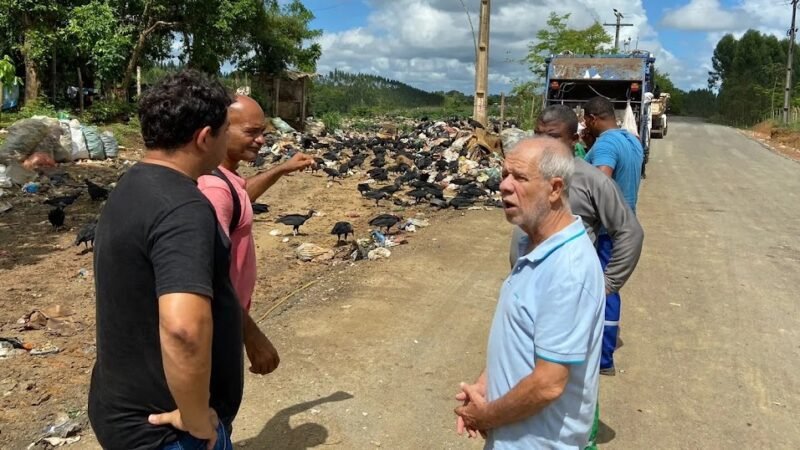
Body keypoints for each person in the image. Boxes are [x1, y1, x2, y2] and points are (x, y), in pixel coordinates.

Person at [88, 69, 240, 450]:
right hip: (166, 431)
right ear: (205, 137)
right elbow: (183, 329)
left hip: (119, 407)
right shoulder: (183, 209)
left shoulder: (132, 184)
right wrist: (194, 416)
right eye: (225, 131)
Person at [454, 137, 605, 449]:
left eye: (520, 178)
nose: (504, 186)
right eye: (504, 175)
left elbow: (548, 384)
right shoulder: (533, 246)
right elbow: (520, 338)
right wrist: (485, 384)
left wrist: (486, 416)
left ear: (555, 189)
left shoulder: (568, 270)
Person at [514, 105, 645, 449]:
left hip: (569, 300)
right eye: (539, 134)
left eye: (553, 137)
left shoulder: (591, 180)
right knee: (529, 377)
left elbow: (629, 232)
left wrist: (606, 284)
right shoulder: (530, 177)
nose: (543, 143)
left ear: (575, 139)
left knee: (570, 383)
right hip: (531, 295)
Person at [197, 95, 315, 375]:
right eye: (251, 132)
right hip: (219, 323)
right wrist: (249, 333)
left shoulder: (224, 179)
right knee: (213, 412)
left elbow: (239, 198)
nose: (261, 140)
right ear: (219, 130)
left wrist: (282, 169)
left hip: (228, 319)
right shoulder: (213, 189)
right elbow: (208, 274)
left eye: (262, 132)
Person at [582, 96, 645, 375]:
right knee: (607, 289)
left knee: (603, 290)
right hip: (623, 222)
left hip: (606, 230)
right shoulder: (631, 140)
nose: (585, 124)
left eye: (586, 120)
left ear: (593, 119)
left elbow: (601, 180)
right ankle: (602, 350)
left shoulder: (606, 143)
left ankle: (603, 358)